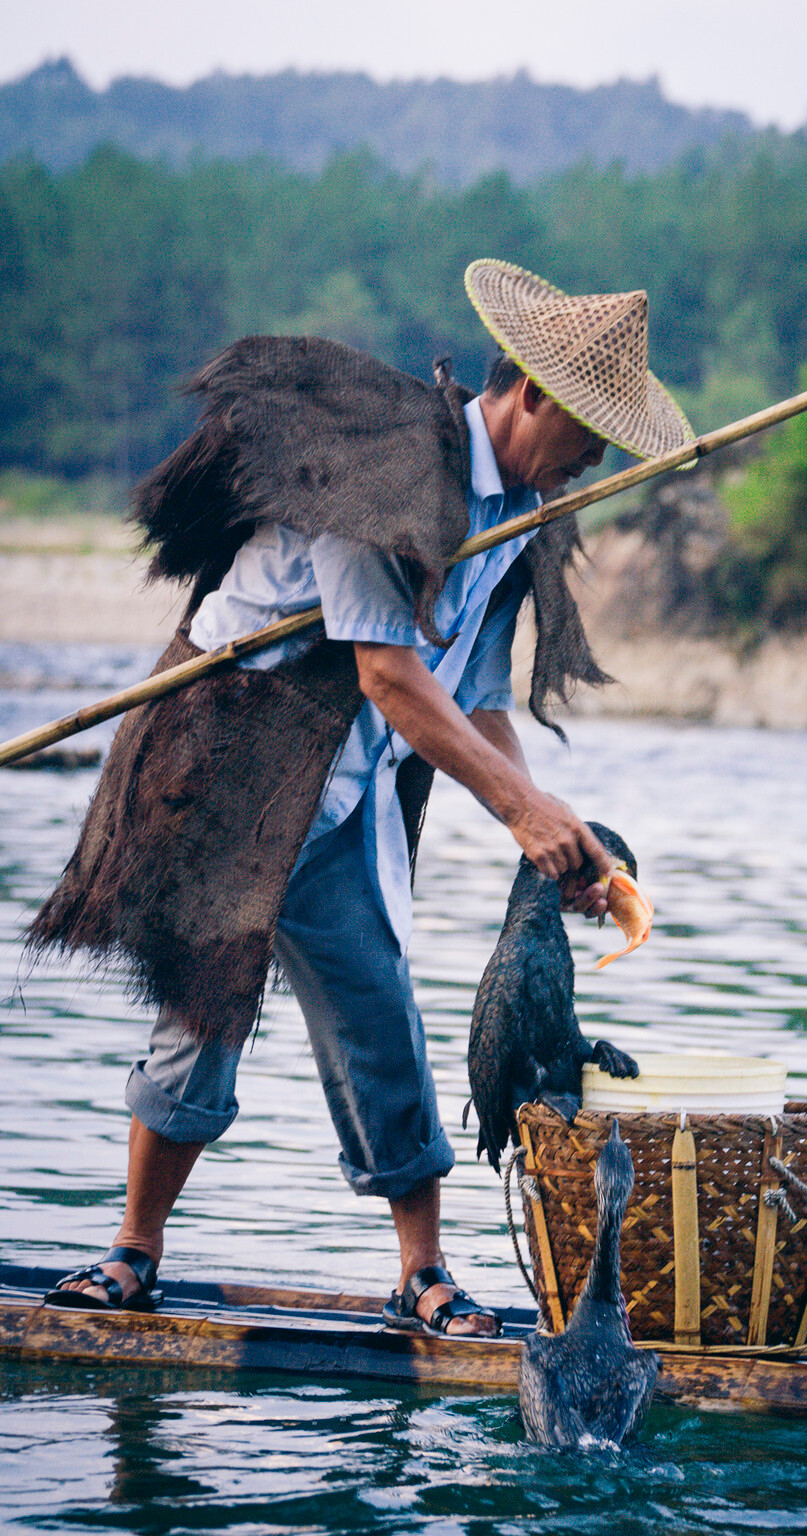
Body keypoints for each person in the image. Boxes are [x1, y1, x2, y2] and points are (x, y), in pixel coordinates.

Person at [31, 259, 694, 1336]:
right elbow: (386, 671)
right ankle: (131, 1254)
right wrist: (518, 814)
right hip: (234, 767)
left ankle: (421, 1276)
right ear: (529, 393)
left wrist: (549, 823)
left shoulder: (519, 514)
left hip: (345, 787)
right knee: (205, 1016)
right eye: (588, 429)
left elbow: (471, 699)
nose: (596, 457)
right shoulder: (383, 473)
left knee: (381, 1012)